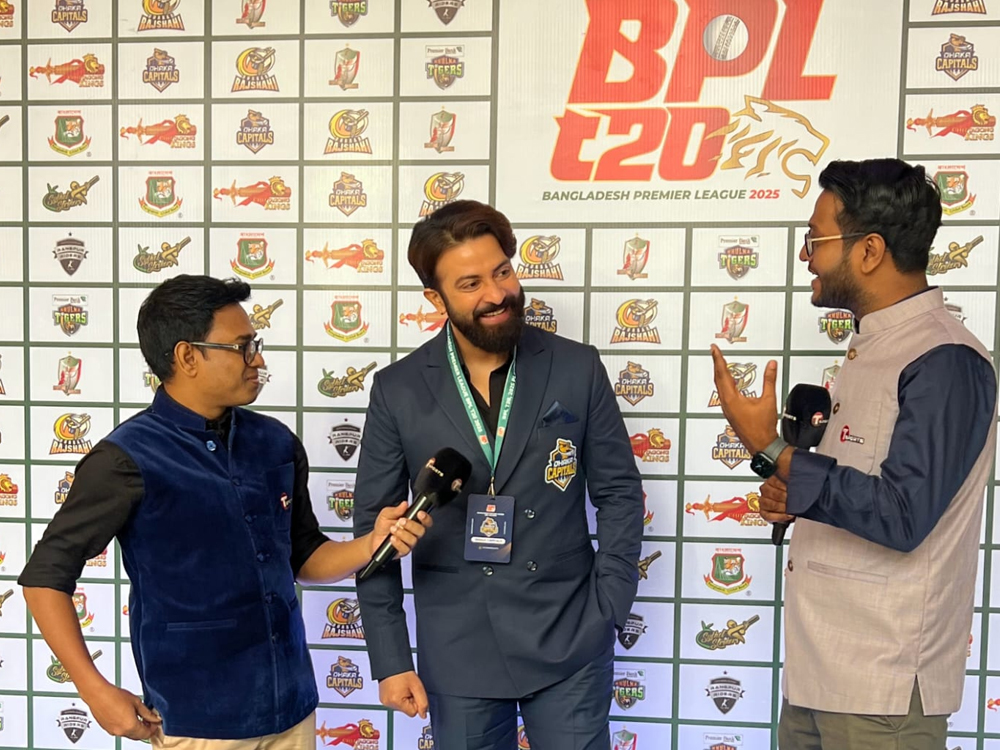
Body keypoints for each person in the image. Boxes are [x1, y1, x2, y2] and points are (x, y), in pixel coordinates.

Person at [18, 275, 431, 748]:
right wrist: (94, 691)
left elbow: (303, 557)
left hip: (293, 710)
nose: (258, 360)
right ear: (187, 356)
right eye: (242, 347)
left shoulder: (275, 442)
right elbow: (44, 579)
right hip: (197, 723)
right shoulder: (125, 459)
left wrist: (372, 544)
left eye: (255, 345)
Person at [711, 158, 997, 750]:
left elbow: (903, 513)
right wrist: (793, 489)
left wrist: (770, 447)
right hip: (820, 673)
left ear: (869, 251)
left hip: (882, 692)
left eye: (814, 240)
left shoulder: (945, 360)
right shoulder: (876, 345)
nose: (805, 256)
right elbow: (858, 487)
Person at [352, 200, 643, 749]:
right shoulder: (398, 389)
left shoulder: (577, 366)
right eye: (471, 284)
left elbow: (619, 492)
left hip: (569, 636)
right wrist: (390, 658)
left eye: (502, 271)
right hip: (457, 647)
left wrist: (609, 605)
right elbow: (376, 531)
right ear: (435, 299)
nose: (496, 293)